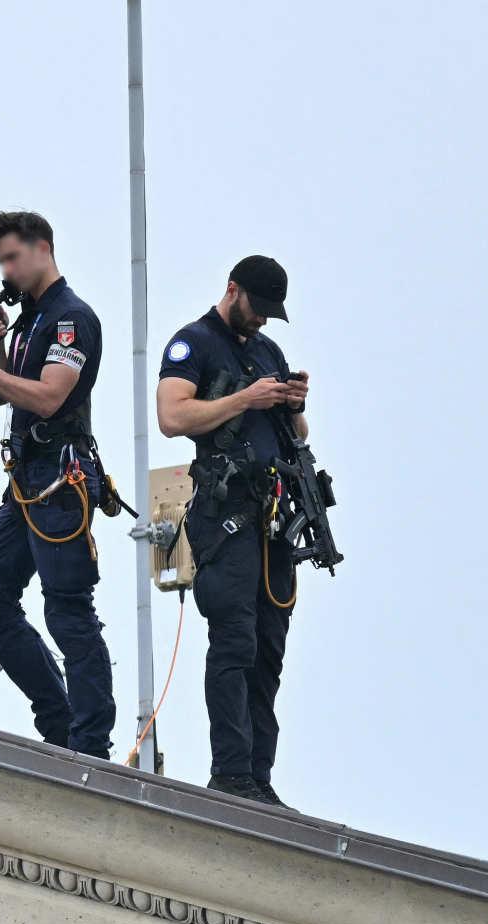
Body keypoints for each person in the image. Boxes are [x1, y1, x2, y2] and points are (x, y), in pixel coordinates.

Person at [0, 211, 116, 760]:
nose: (6, 270)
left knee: (67, 609)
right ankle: (61, 719)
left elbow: (48, 396)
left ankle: (90, 741)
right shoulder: (31, 319)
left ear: (42, 248)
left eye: (11, 257)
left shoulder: (71, 319)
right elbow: (1, 397)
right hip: (27, 479)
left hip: (61, 478)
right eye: (0, 260)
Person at [156, 256, 310, 807]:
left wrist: (293, 405)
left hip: (274, 520)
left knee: (269, 650)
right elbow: (172, 418)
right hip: (226, 517)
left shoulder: (267, 351)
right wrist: (245, 398)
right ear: (233, 290)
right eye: (258, 308)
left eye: (272, 313)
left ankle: (258, 778)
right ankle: (231, 773)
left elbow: (297, 433)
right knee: (235, 642)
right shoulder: (193, 343)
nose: (263, 322)